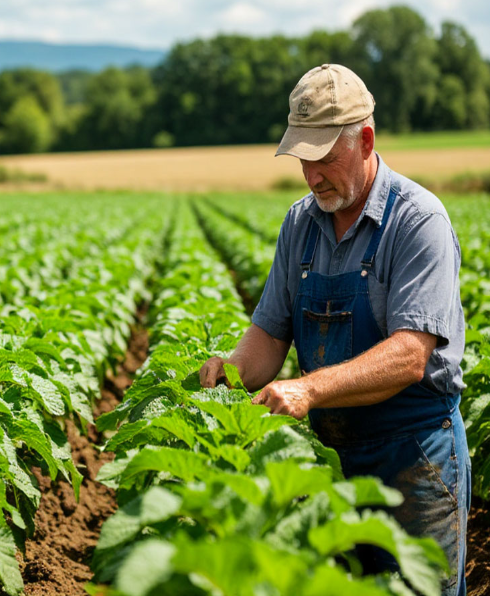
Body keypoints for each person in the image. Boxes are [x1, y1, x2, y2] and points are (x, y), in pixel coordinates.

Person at [199, 63, 471, 596]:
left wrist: (310, 388)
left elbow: (410, 354)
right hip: (332, 463)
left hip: (415, 460)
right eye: (304, 159)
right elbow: (271, 333)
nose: (313, 175)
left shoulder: (418, 221)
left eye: (325, 157)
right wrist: (232, 370)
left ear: (365, 140)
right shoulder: (300, 223)